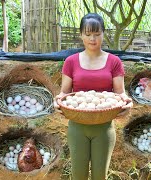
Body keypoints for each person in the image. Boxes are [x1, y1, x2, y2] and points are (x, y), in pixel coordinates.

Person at [54, 13, 132, 180]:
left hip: (104, 128)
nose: (92, 39)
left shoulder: (114, 62)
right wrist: (58, 101)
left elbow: (120, 94)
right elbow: (64, 93)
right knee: (78, 176)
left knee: (100, 177)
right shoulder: (71, 62)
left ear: (103, 33)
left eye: (97, 34)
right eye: (88, 34)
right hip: (77, 127)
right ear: (81, 34)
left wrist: (126, 104)